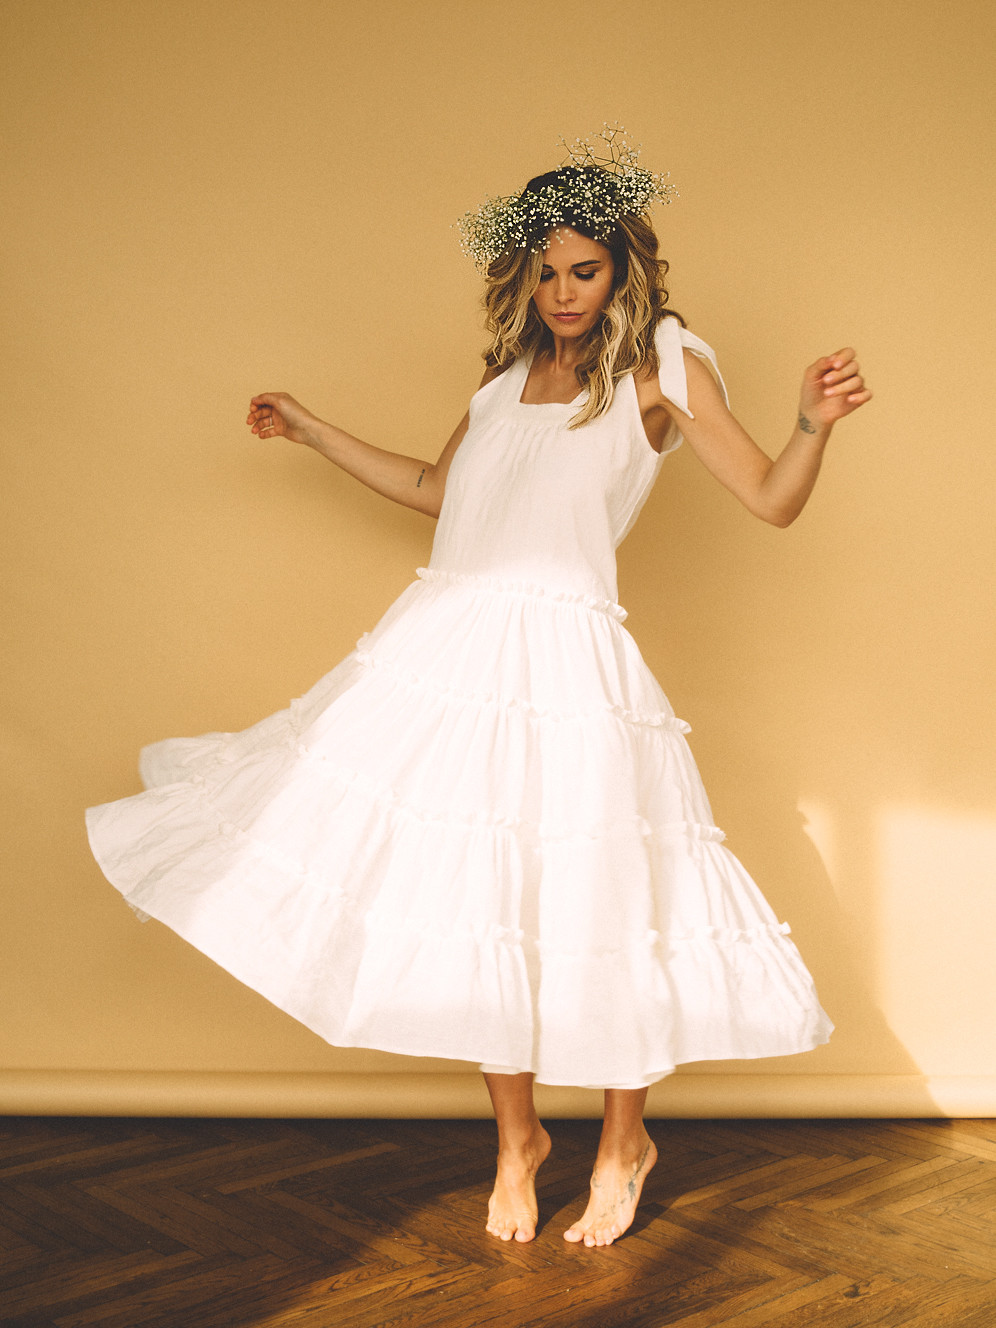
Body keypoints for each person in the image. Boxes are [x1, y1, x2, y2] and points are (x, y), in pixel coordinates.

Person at [85, 127, 870, 1250]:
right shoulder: (503, 383)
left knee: (606, 896)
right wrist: (310, 430)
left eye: (584, 269)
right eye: (545, 272)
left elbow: (772, 498)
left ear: (624, 266)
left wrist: (809, 426)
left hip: (569, 667)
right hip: (452, 655)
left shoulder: (661, 365)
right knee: (478, 894)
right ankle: (518, 1139)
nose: (564, 293)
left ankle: (623, 1142)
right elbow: (434, 487)